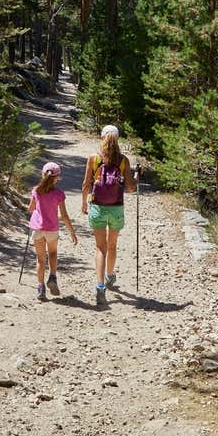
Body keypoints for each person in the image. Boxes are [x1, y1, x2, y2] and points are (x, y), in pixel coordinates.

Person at [81, 124, 137, 306]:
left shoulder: (93, 158)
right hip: (116, 208)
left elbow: (85, 184)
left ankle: (99, 286)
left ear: (102, 137)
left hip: (97, 206)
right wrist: (136, 177)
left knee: (100, 248)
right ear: (117, 139)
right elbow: (130, 188)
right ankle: (110, 276)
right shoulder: (123, 161)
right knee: (112, 245)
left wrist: (83, 203)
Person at [28, 161, 78, 300]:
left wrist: (36, 211)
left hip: (38, 229)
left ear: (43, 174)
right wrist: (71, 232)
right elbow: (64, 215)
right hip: (52, 230)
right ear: (57, 178)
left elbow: (30, 209)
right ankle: (52, 277)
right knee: (53, 253)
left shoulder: (36, 190)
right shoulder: (59, 194)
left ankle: (40, 288)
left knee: (40, 258)